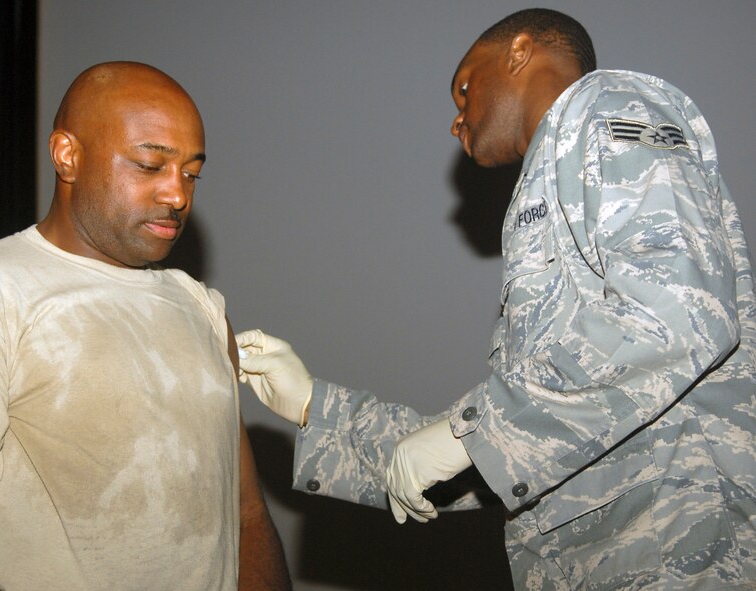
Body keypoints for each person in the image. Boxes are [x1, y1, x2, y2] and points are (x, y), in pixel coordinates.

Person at [236, 8, 756, 590]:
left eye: (463, 88)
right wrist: (313, 405)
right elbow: (508, 448)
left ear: (518, 52)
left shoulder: (608, 106)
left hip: (682, 552)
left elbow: (676, 314)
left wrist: (474, 435)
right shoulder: (546, 189)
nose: (456, 122)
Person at [0, 61, 290, 590]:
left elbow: (248, 515)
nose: (177, 195)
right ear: (67, 155)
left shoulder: (202, 306)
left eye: (191, 173)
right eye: (150, 166)